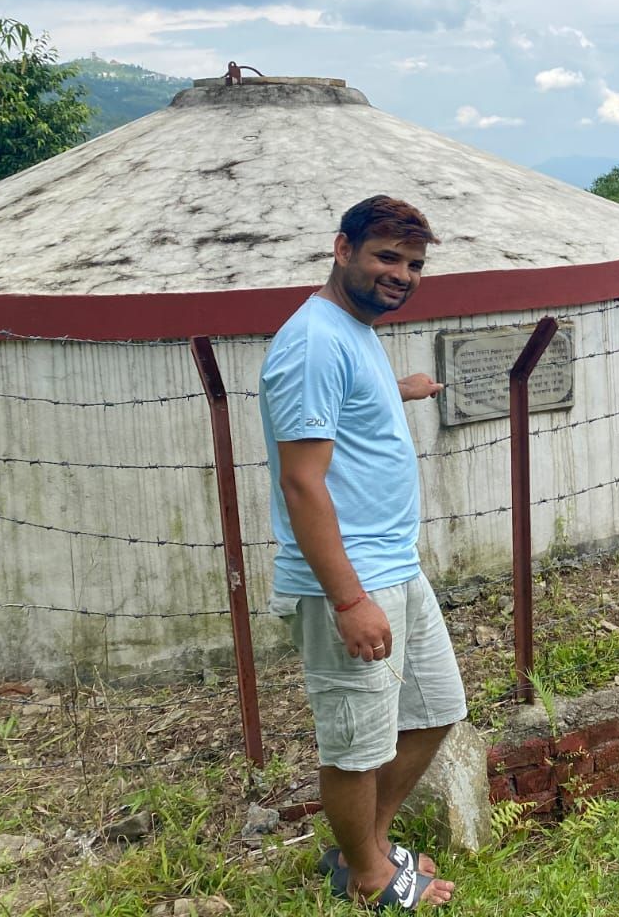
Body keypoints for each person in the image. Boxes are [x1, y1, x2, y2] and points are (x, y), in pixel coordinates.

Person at [261, 196, 465, 910]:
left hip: (394, 565)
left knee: (437, 706)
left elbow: (343, 409)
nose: (402, 275)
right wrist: (349, 599)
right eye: (386, 256)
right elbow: (301, 480)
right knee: (356, 744)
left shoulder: (354, 331)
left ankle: (365, 848)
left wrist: (396, 390)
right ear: (342, 249)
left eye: (413, 264)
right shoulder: (314, 339)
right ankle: (372, 880)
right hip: (350, 579)